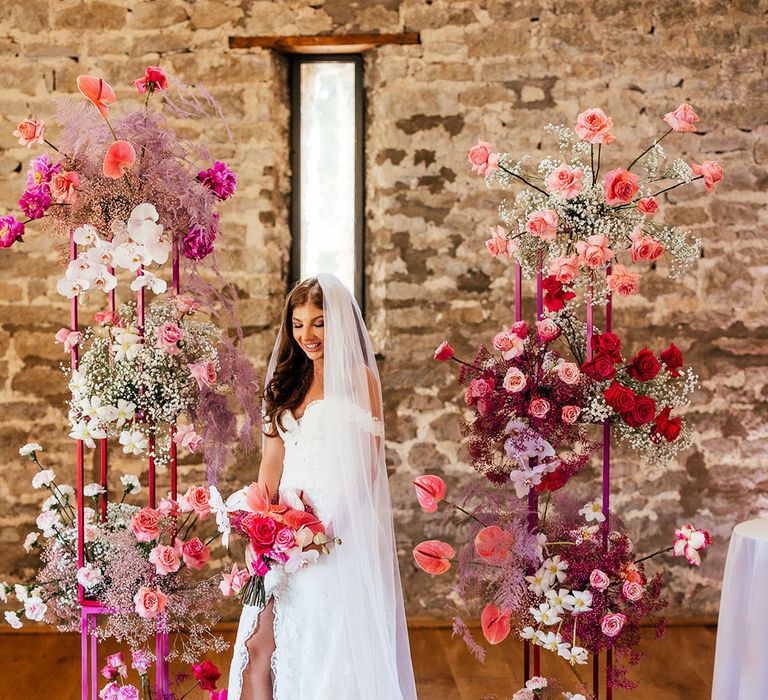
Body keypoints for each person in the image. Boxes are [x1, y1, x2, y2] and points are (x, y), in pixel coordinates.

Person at [227, 273, 417, 699]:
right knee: (258, 644)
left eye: (318, 322)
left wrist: (321, 533)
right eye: (297, 324)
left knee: (323, 646)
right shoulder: (284, 380)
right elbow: (272, 461)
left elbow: (368, 467)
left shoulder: (359, 380)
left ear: (339, 323)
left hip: (334, 531)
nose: (306, 335)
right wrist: (262, 522)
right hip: (281, 531)